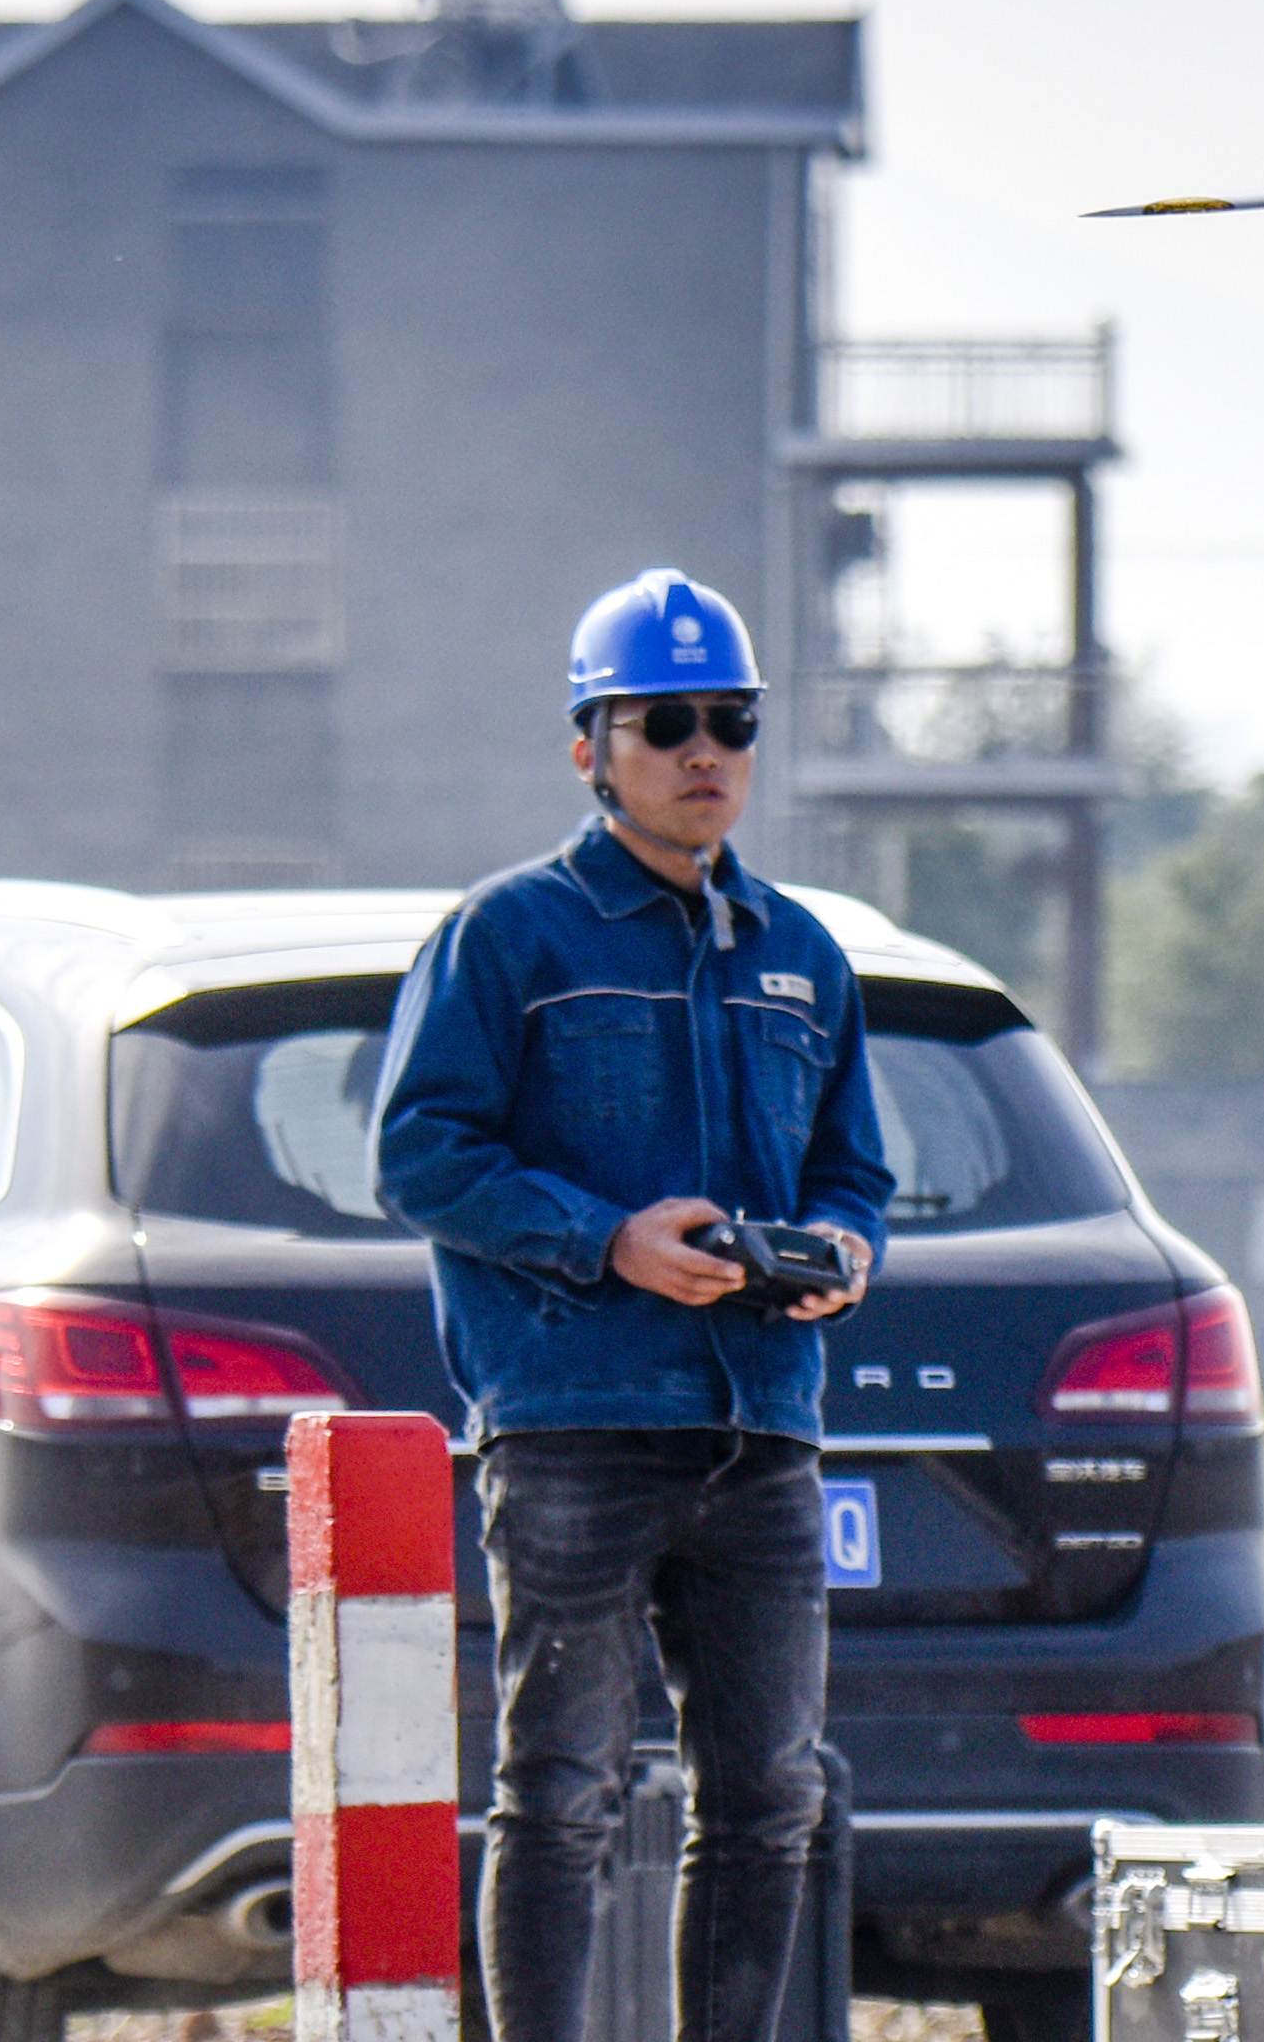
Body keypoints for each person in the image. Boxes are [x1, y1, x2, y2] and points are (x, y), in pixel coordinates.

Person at [375, 568, 894, 2042]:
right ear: (587, 746)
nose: (702, 749)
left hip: (764, 1433)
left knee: (768, 1794)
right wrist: (609, 1241)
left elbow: (857, 1171)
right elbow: (417, 1153)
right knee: (560, 1790)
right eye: (662, 722)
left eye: (728, 718)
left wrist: (844, 1255)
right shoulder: (509, 939)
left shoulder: (801, 954)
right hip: (577, 1425)